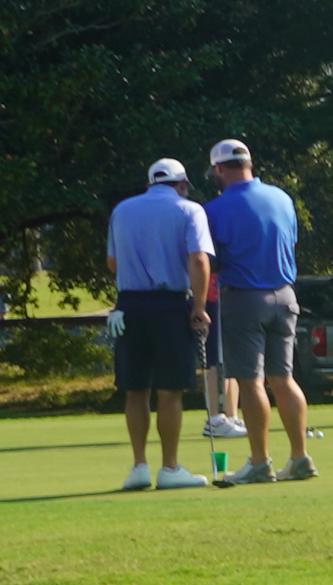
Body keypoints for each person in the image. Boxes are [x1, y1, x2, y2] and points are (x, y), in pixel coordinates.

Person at [205, 139, 316, 484]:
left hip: (244, 299)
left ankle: (259, 462)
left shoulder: (214, 209)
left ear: (218, 169)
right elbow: (290, 244)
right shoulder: (282, 198)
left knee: (251, 381)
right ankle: (299, 457)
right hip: (286, 296)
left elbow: (211, 261)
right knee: (283, 379)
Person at [106, 157, 214, 491]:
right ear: (181, 184)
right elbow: (199, 259)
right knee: (170, 390)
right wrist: (199, 307)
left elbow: (112, 262)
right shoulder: (189, 210)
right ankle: (169, 468)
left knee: (135, 389)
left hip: (129, 306)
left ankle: (139, 466)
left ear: (150, 183)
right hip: (169, 305)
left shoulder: (122, 210)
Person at [199, 271, 246, 438]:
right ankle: (214, 419)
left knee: (230, 360)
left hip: (229, 298)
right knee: (217, 362)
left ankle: (231, 417)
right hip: (212, 300)